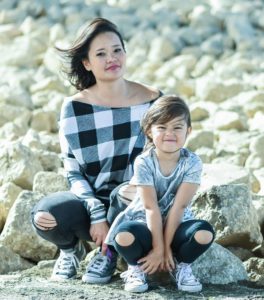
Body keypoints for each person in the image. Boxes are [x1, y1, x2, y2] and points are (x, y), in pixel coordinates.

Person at [31, 17, 161, 283]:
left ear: (125, 53)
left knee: (126, 193)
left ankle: (110, 253)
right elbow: (74, 172)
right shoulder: (75, 109)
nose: (111, 58)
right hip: (89, 203)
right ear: (87, 63)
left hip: (135, 202)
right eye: (100, 54)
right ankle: (70, 250)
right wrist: (96, 214)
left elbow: (160, 160)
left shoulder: (153, 101)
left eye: (116, 50)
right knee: (44, 217)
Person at [104, 95, 215, 293]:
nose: (169, 133)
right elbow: (150, 208)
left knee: (205, 232)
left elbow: (179, 207)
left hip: (177, 223)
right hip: (145, 223)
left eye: (177, 127)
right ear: (149, 131)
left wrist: (165, 249)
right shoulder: (144, 162)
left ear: (188, 131)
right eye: (162, 127)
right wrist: (157, 248)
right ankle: (136, 268)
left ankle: (180, 265)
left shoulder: (192, 162)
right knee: (123, 235)